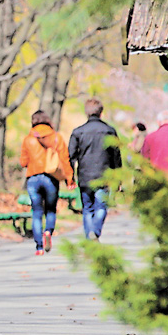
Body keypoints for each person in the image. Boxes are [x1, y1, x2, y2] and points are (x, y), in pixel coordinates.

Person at [19, 110, 74, 256]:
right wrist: (70, 178)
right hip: (51, 178)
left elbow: (23, 162)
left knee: (36, 212)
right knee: (50, 209)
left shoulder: (28, 139)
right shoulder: (56, 137)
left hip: (33, 179)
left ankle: (39, 247)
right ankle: (48, 232)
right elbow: (65, 158)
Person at [68, 98, 122, 240]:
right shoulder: (109, 131)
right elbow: (116, 156)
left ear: (86, 112)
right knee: (101, 206)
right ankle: (96, 231)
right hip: (104, 175)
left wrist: (71, 176)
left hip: (85, 176)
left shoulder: (78, 132)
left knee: (87, 208)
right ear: (101, 112)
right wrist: (118, 177)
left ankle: (89, 235)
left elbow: (71, 156)